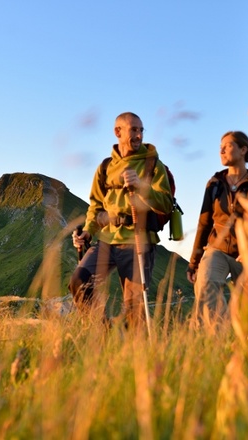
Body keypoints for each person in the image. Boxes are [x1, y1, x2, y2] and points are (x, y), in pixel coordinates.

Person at [69, 112, 173, 327]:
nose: (139, 135)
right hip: (107, 240)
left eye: (141, 130)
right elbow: (96, 206)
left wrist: (142, 187)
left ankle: (136, 354)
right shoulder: (105, 167)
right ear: (118, 132)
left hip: (139, 239)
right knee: (79, 281)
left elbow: (165, 204)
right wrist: (88, 231)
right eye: (134, 129)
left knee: (134, 308)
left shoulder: (153, 165)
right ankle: (104, 332)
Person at [186, 131, 248, 327]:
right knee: (206, 284)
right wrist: (194, 263)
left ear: (243, 149)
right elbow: (204, 224)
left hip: (247, 251)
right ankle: (210, 343)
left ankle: (246, 346)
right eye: (220, 146)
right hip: (217, 249)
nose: (221, 150)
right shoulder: (214, 184)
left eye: (228, 145)